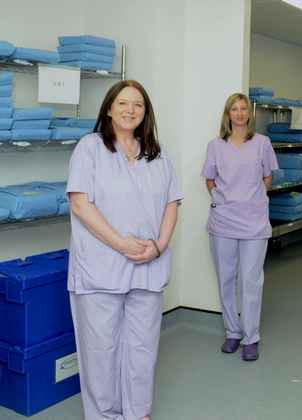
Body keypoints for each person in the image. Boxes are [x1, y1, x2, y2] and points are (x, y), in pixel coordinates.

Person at [67, 80, 182, 420]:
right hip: (100, 269)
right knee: (100, 352)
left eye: (138, 105)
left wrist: (158, 247)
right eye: (123, 103)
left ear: (146, 113)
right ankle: (104, 416)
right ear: (108, 108)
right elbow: (80, 204)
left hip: (148, 268)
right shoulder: (90, 148)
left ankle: (138, 413)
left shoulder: (157, 155)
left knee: (142, 349)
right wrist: (122, 244)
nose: (130, 110)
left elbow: (172, 204)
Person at [201, 92, 279, 361]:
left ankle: (251, 337)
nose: (239, 113)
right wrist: (220, 199)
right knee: (226, 279)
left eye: (243, 108)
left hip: (254, 222)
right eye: (234, 109)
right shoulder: (215, 146)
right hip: (223, 221)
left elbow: (267, 177)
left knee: (251, 280)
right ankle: (232, 332)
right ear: (228, 114)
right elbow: (210, 180)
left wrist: (254, 200)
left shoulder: (262, 143)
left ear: (249, 113)